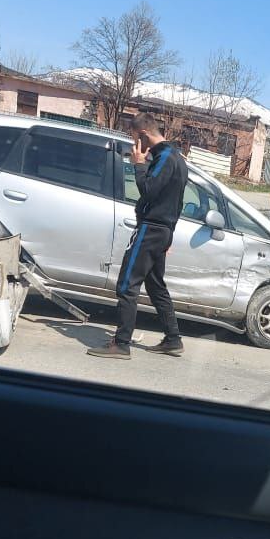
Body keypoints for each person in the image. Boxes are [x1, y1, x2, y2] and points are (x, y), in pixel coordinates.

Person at [87, 113, 188, 360]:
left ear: (143, 135)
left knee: (127, 284)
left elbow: (149, 190)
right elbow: (177, 203)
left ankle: (121, 344)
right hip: (161, 231)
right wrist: (169, 237)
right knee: (155, 286)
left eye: (134, 138)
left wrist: (138, 164)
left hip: (151, 230)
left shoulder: (164, 157)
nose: (134, 145)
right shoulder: (177, 158)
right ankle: (173, 340)